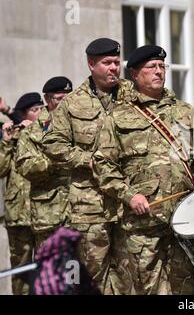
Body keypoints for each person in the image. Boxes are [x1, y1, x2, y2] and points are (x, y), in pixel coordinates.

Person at [92, 44, 194, 295]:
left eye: (162, 66)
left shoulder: (186, 112)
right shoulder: (118, 116)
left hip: (184, 220)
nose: (159, 72)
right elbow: (103, 165)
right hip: (143, 225)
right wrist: (130, 195)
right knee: (149, 290)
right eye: (152, 67)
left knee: (186, 290)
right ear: (135, 74)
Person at [41, 38, 134, 295]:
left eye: (116, 62)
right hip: (90, 205)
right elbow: (52, 143)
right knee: (92, 275)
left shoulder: (134, 96)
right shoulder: (73, 103)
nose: (113, 68)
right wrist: (86, 159)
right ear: (91, 64)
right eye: (106, 63)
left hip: (129, 203)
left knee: (130, 275)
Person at [15, 77, 73, 249]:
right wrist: (55, 160)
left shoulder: (80, 126)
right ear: (47, 99)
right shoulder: (33, 132)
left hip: (83, 213)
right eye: (60, 99)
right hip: (50, 216)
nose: (65, 103)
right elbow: (25, 166)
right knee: (52, 271)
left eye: (69, 98)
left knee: (82, 272)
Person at [0, 92, 45, 294]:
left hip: (45, 213)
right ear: (24, 114)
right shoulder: (13, 138)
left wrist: (34, 134)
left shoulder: (47, 133)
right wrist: (7, 142)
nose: (39, 114)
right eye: (35, 110)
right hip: (18, 215)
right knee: (21, 268)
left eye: (41, 109)